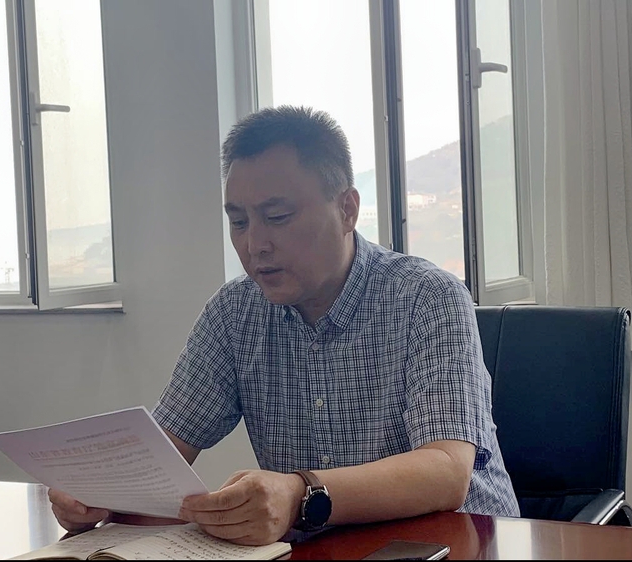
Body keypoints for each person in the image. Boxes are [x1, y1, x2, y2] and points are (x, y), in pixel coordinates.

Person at [49, 106, 520, 546]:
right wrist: (98, 492)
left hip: (461, 543)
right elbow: (164, 454)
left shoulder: (426, 297)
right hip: (322, 551)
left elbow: (446, 471)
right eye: (239, 222)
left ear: (347, 210)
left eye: (277, 217)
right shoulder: (234, 313)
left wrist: (300, 493)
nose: (255, 244)